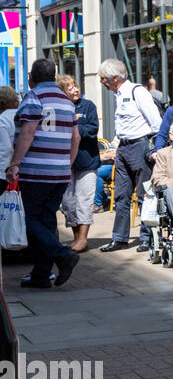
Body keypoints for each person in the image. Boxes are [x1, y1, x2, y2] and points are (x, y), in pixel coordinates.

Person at [7, 59, 77, 287]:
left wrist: (15, 163)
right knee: (47, 221)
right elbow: (76, 138)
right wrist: (67, 164)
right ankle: (41, 274)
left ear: (31, 77)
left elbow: (27, 132)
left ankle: (63, 255)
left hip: (36, 171)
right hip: (60, 172)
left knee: (26, 219)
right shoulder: (66, 101)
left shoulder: (34, 97)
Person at [98, 58, 163, 252]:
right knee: (121, 195)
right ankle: (119, 238)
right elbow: (123, 125)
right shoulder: (118, 94)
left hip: (140, 146)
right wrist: (115, 144)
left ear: (115, 78)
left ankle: (147, 238)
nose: (102, 82)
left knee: (145, 195)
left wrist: (151, 148)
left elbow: (156, 123)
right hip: (123, 149)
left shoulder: (137, 91)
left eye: (103, 78)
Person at [57, 74, 100, 253]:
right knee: (68, 203)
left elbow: (92, 128)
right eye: (69, 88)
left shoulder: (87, 105)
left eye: (75, 85)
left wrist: (74, 127)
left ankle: (83, 239)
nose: (75, 90)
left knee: (84, 201)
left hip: (87, 161)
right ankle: (76, 238)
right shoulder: (58, 108)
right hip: (65, 164)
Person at [0, 86, 20, 174]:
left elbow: (5, 148)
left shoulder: (2, 119)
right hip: (21, 169)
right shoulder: (21, 114)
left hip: (5, 171)